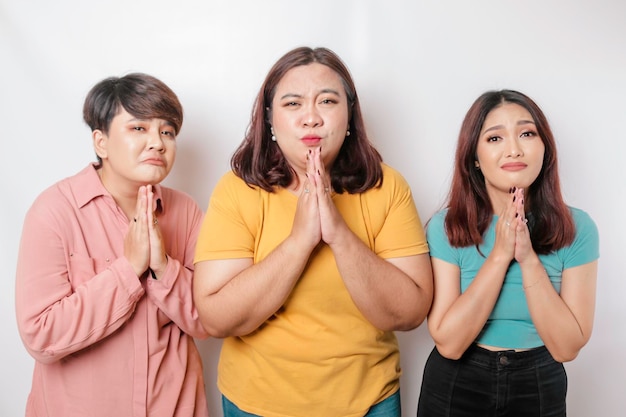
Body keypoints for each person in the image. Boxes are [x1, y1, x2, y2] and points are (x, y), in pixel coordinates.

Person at [193, 46, 433, 417]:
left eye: (327, 101)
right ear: (269, 120)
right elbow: (217, 318)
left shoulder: (388, 187)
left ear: (350, 116)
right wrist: (299, 241)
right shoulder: (238, 190)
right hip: (257, 404)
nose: (311, 118)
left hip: (369, 401)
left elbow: (410, 312)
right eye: (292, 104)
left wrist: (337, 232)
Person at [15, 73, 209, 417]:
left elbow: (207, 319)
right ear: (100, 142)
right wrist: (128, 270)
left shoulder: (187, 212)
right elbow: (40, 335)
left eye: (167, 131)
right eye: (139, 128)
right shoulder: (55, 211)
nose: (158, 142)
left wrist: (163, 268)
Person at [416, 90, 599, 417]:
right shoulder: (447, 226)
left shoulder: (578, 228)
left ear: (545, 148)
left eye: (527, 133)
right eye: (495, 138)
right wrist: (500, 256)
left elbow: (567, 347)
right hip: (457, 381)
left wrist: (528, 260)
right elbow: (450, 343)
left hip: (539, 382)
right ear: (474, 156)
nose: (514, 148)